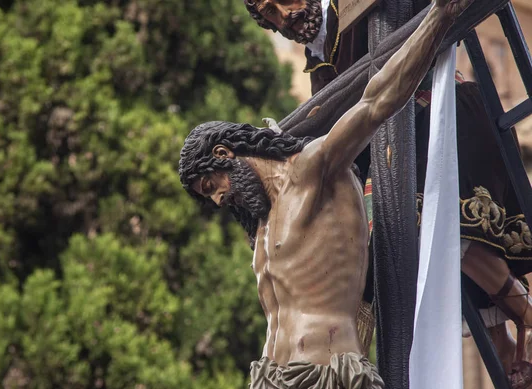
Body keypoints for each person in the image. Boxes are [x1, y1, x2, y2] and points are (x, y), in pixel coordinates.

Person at [179, 1, 476, 387]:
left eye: (211, 186)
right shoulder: (262, 224)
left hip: (326, 373)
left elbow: (376, 103)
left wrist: (440, 16)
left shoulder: (312, 168)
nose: (218, 199)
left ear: (224, 154)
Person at [244, 0, 532, 384]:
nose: (283, 17)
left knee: (416, 220)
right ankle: (506, 346)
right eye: (269, 17)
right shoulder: (317, 62)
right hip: (401, 152)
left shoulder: (356, 15)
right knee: (405, 237)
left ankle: (522, 317)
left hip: (443, 123)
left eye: (280, 3)